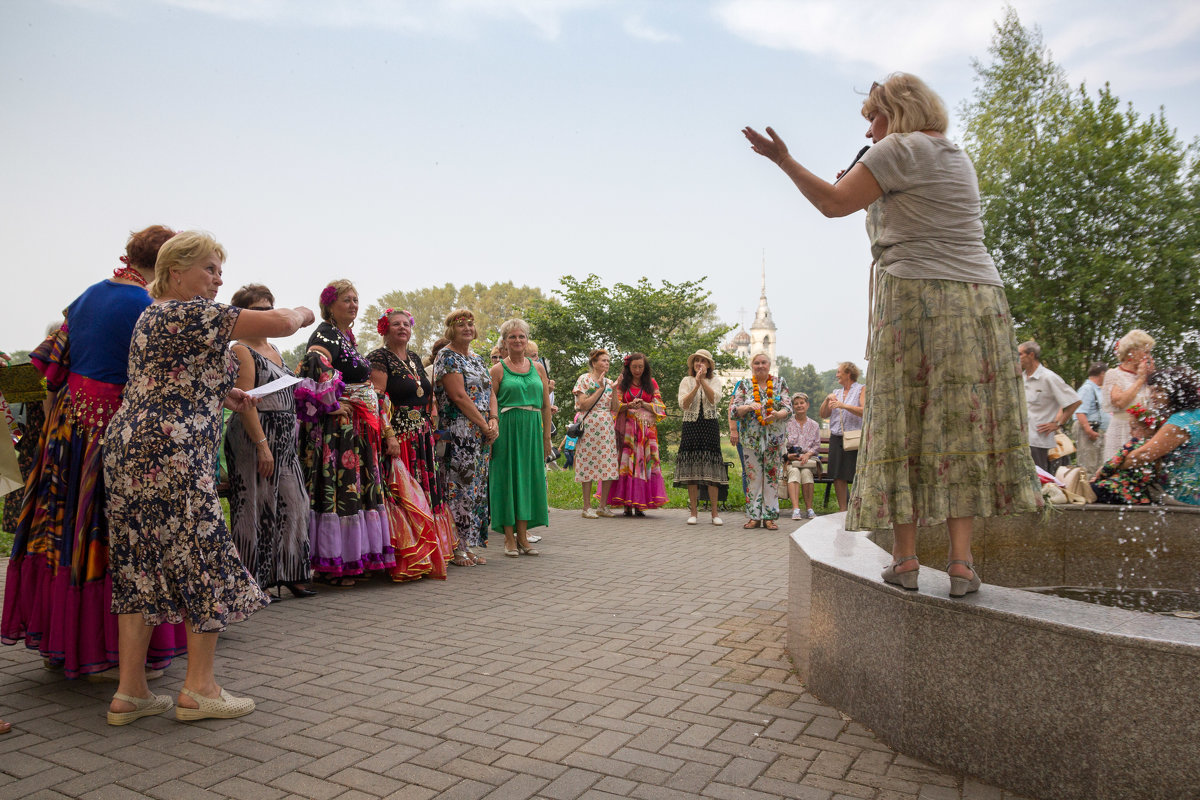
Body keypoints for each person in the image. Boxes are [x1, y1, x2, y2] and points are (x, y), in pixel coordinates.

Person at [743, 72, 1042, 596]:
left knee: (903, 419)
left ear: (896, 112)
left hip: (917, 298)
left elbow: (834, 204)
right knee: (960, 426)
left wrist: (783, 160)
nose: (869, 132)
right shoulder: (954, 155)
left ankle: (905, 560)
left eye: (873, 118)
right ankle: (962, 565)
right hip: (982, 303)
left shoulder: (895, 149)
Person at [103, 231, 315, 725]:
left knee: (139, 558)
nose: (218, 279)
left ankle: (130, 693)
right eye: (209, 269)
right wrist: (306, 311)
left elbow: (169, 379)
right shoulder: (191, 312)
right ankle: (199, 689)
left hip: (129, 447)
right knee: (202, 555)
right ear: (175, 271)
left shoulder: (152, 316)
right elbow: (283, 321)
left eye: (221, 270)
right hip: (173, 452)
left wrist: (229, 397)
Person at [2, 225, 187, 680]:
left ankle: (61, 641)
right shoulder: (147, 306)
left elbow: (50, 367)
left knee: (65, 527)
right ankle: (111, 654)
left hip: (68, 425)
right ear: (167, 264)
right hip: (113, 426)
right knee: (114, 530)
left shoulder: (86, 296)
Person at [298, 280, 395, 587]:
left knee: (355, 489)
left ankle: (355, 557)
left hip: (356, 430)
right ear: (329, 304)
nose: (353, 305)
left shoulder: (345, 337)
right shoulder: (324, 335)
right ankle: (332, 564)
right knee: (340, 490)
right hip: (337, 433)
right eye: (346, 300)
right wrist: (331, 404)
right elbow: (311, 365)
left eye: (356, 300)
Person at [225, 284, 315, 599]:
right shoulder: (240, 350)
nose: (267, 315)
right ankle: (252, 581)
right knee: (254, 505)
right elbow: (246, 402)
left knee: (295, 501)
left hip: (285, 434)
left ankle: (291, 571)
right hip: (255, 432)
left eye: (270, 308)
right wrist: (262, 444)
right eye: (259, 310)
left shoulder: (274, 349)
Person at [369, 309, 453, 580]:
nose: (402, 328)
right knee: (404, 493)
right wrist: (389, 434)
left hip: (422, 437)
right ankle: (406, 559)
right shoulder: (378, 358)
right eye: (396, 324)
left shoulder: (415, 358)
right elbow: (378, 400)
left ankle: (427, 556)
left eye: (406, 324)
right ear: (385, 328)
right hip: (400, 437)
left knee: (425, 491)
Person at [433, 309, 497, 565]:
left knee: (476, 488)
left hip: (480, 431)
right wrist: (484, 424)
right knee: (457, 486)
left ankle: (468, 544)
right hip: (458, 430)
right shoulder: (447, 356)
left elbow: (490, 391)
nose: (467, 328)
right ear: (451, 329)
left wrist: (494, 420)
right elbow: (459, 396)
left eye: (471, 324)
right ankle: (454, 546)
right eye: (461, 324)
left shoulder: (477, 358)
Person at [487, 318, 551, 556]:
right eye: (512, 337)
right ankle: (508, 538)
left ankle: (524, 537)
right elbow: (489, 404)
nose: (517, 340)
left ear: (527, 340)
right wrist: (491, 434)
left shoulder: (539, 368)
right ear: (504, 342)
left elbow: (546, 405)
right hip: (507, 430)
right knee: (507, 481)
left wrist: (547, 438)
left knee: (527, 480)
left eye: (521, 336)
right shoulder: (497, 370)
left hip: (533, 429)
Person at [1119, 366, 1200, 506]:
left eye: (1159, 390)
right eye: (1152, 391)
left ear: (1175, 391)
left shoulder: (1179, 422)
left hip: (1182, 499)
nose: (1152, 396)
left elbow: (1144, 454)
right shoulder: (1194, 414)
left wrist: (1112, 466)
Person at [730, 353, 791, 529]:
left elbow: (788, 407)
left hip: (774, 438)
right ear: (752, 366)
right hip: (751, 439)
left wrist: (778, 414)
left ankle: (770, 517)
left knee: (771, 477)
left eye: (764, 362)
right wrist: (748, 407)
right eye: (756, 363)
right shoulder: (744, 385)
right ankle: (754, 517)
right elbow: (734, 410)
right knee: (753, 477)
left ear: (769, 365)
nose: (760, 366)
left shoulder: (780, 383)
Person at [607, 353, 667, 516]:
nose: (638, 370)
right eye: (634, 367)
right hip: (626, 430)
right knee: (626, 463)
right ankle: (627, 503)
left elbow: (660, 406)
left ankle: (641, 503)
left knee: (644, 463)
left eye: (641, 367)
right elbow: (614, 406)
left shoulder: (651, 383)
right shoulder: (622, 383)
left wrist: (645, 404)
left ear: (645, 368)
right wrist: (629, 405)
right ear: (628, 367)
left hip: (647, 430)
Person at [674, 349, 726, 526]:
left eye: (703, 361)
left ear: (709, 365)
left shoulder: (715, 380)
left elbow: (714, 400)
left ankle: (714, 513)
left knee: (711, 467)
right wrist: (695, 385)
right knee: (691, 469)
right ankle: (694, 512)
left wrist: (703, 382)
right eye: (697, 360)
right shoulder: (686, 381)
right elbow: (684, 404)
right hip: (691, 425)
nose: (699, 364)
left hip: (709, 425)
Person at [1018, 341, 1081, 472]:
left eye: (1019, 354)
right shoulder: (1021, 378)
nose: (1016, 357)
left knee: (1039, 479)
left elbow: (1074, 401)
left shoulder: (1049, 377)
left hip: (1037, 441)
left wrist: (1058, 423)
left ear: (1031, 355)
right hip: (1021, 439)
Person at [571, 348, 619, 518]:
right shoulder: (584, 379)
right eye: (603, 360)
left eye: (608, 360)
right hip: (590, 425)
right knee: (588, 463)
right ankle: (586, 507)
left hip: (606, 425)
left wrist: (613, 391)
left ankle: (602, 506)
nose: (607, 363)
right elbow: (583, 405)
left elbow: (615, 408)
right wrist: (599, 389)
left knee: (607, 464)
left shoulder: (610, 381)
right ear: (594, 362)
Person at [1102, 329, 1156, 461]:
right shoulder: (1114, 374)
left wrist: (1152, 377)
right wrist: (1140, 380)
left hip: (1144, 431)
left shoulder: (1146, 375)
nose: (1149, 357)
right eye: (1146, 352)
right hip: (1122, 429)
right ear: (1132, 351)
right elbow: (1119, 402)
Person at [819, 362, 865, 512]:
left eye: (839, 372)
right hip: (836, 438)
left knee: (857, 474)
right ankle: (843, 510)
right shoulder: (836, 392)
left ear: (848, 374)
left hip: (854, 439)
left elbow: (865, 411)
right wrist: (827, 400)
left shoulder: (861, 389)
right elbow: (823, 414)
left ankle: (858, 508)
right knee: (838, 475)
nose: (837, 375)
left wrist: (843, 406)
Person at [785, 392, 822, 520]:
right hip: (791, 461)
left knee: (806, 473)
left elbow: (817, 445)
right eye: (796, 404)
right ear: (793, 407)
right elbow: (781, 444)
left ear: (807, 405)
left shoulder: (814, 425)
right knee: (794, 472)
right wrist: (788, 456)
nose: (799, 406)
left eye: (802, 403)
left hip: (808, 461)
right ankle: (796, 509)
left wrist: (808, 454)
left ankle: (809, 509)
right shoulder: (787, 423)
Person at [1073, 361, 1110, 477]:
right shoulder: (1087, 389)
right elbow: (1079, 411)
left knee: (1098, 465)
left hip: (1096, 431)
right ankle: (1085, 493)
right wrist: (1088, 430)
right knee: (1088, 465)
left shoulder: (1097, 389)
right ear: (1102, 374)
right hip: (1088, 430)